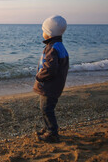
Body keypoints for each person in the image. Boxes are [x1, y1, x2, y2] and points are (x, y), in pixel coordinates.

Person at [33, 15, 69, 143]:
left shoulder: (52, 48)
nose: (42, 32)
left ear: (49, 33)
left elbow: (50, 69)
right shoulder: (59, 46)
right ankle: (48, 127)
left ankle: (52, 132)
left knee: (46, 109)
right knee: (47, 108)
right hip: (56, 85)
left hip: (49, 86)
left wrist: (39, 76)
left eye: (44, 30)